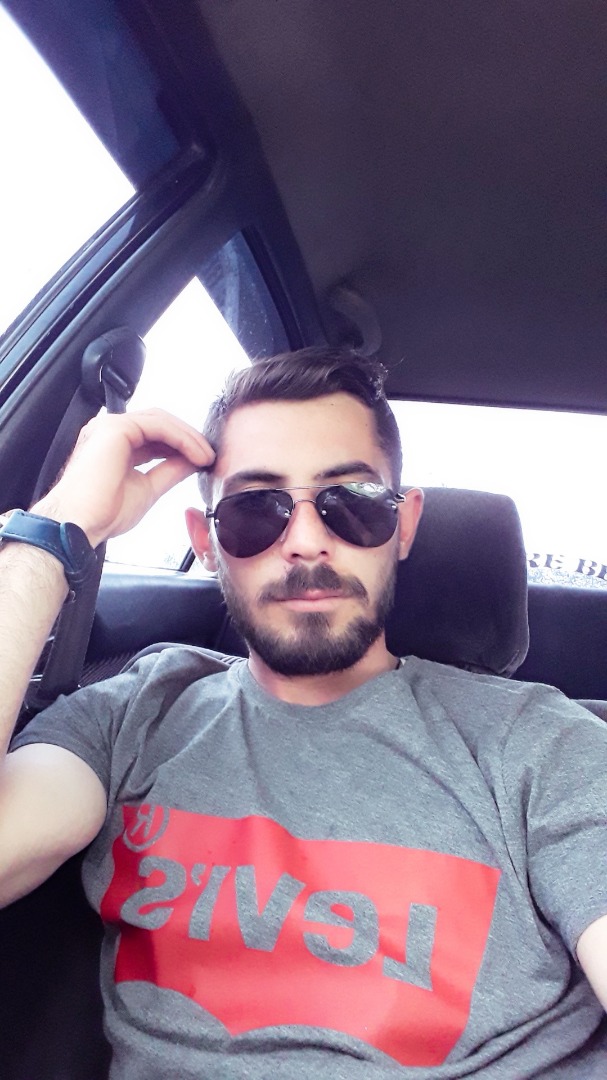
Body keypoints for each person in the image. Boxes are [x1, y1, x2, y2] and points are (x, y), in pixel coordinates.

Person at [0, 346, 606, 1078]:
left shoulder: (542, 745)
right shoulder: (134, 715)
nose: (308, 541)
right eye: (255, 510)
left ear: (404, 525)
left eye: (353, 502)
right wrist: (57, 527)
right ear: (206, 541)